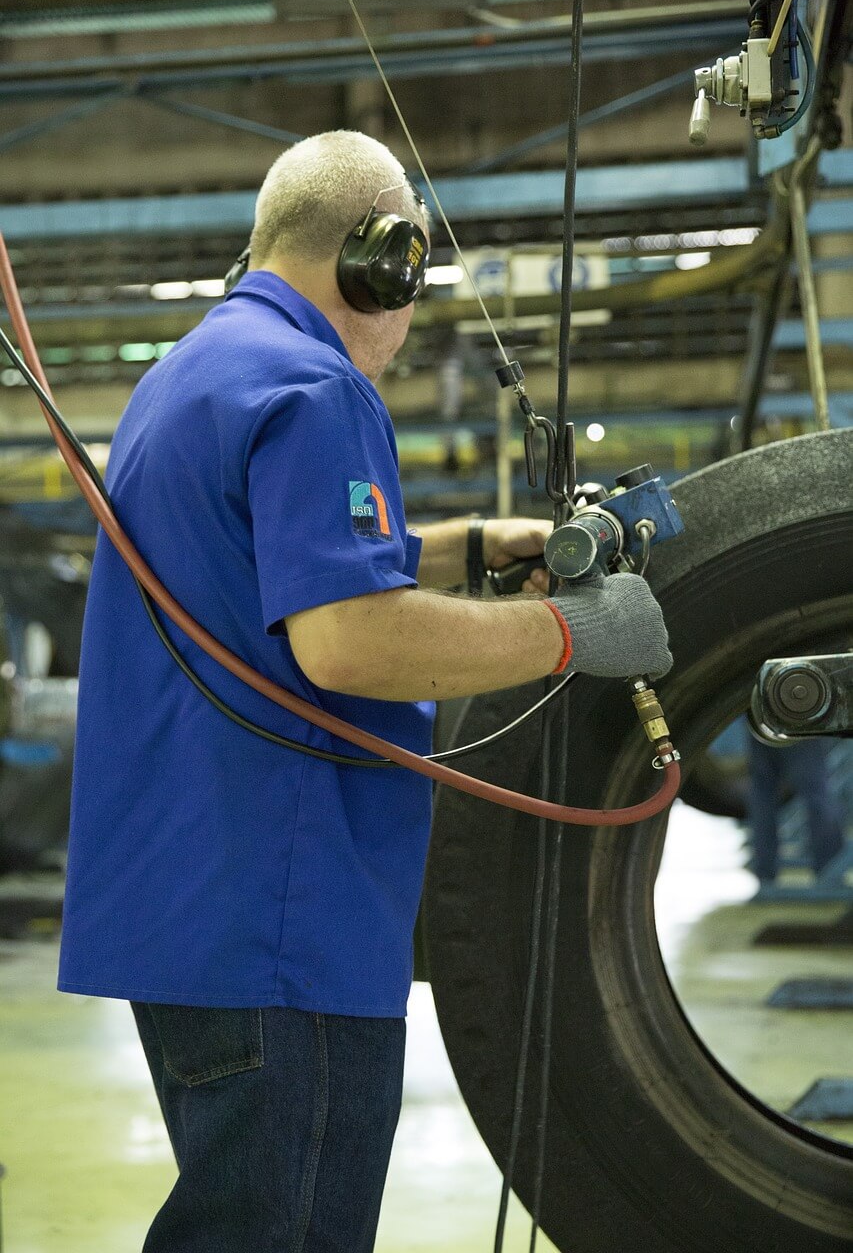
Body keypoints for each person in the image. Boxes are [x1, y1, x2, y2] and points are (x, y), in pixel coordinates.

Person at [58, 130, 672, 1252]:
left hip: (195, 913)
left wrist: (471, 545)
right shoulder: (314, 383)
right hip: (286, 919)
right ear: (379, 260)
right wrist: (569, 630)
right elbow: (346, 641)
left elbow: (271, 577)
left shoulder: (188, 376)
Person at [747, 733, 845, 888]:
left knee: (763, 797)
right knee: (816, 795)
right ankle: (830, 871)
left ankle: (764, 874)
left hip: (759, 723)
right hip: (800, 724)